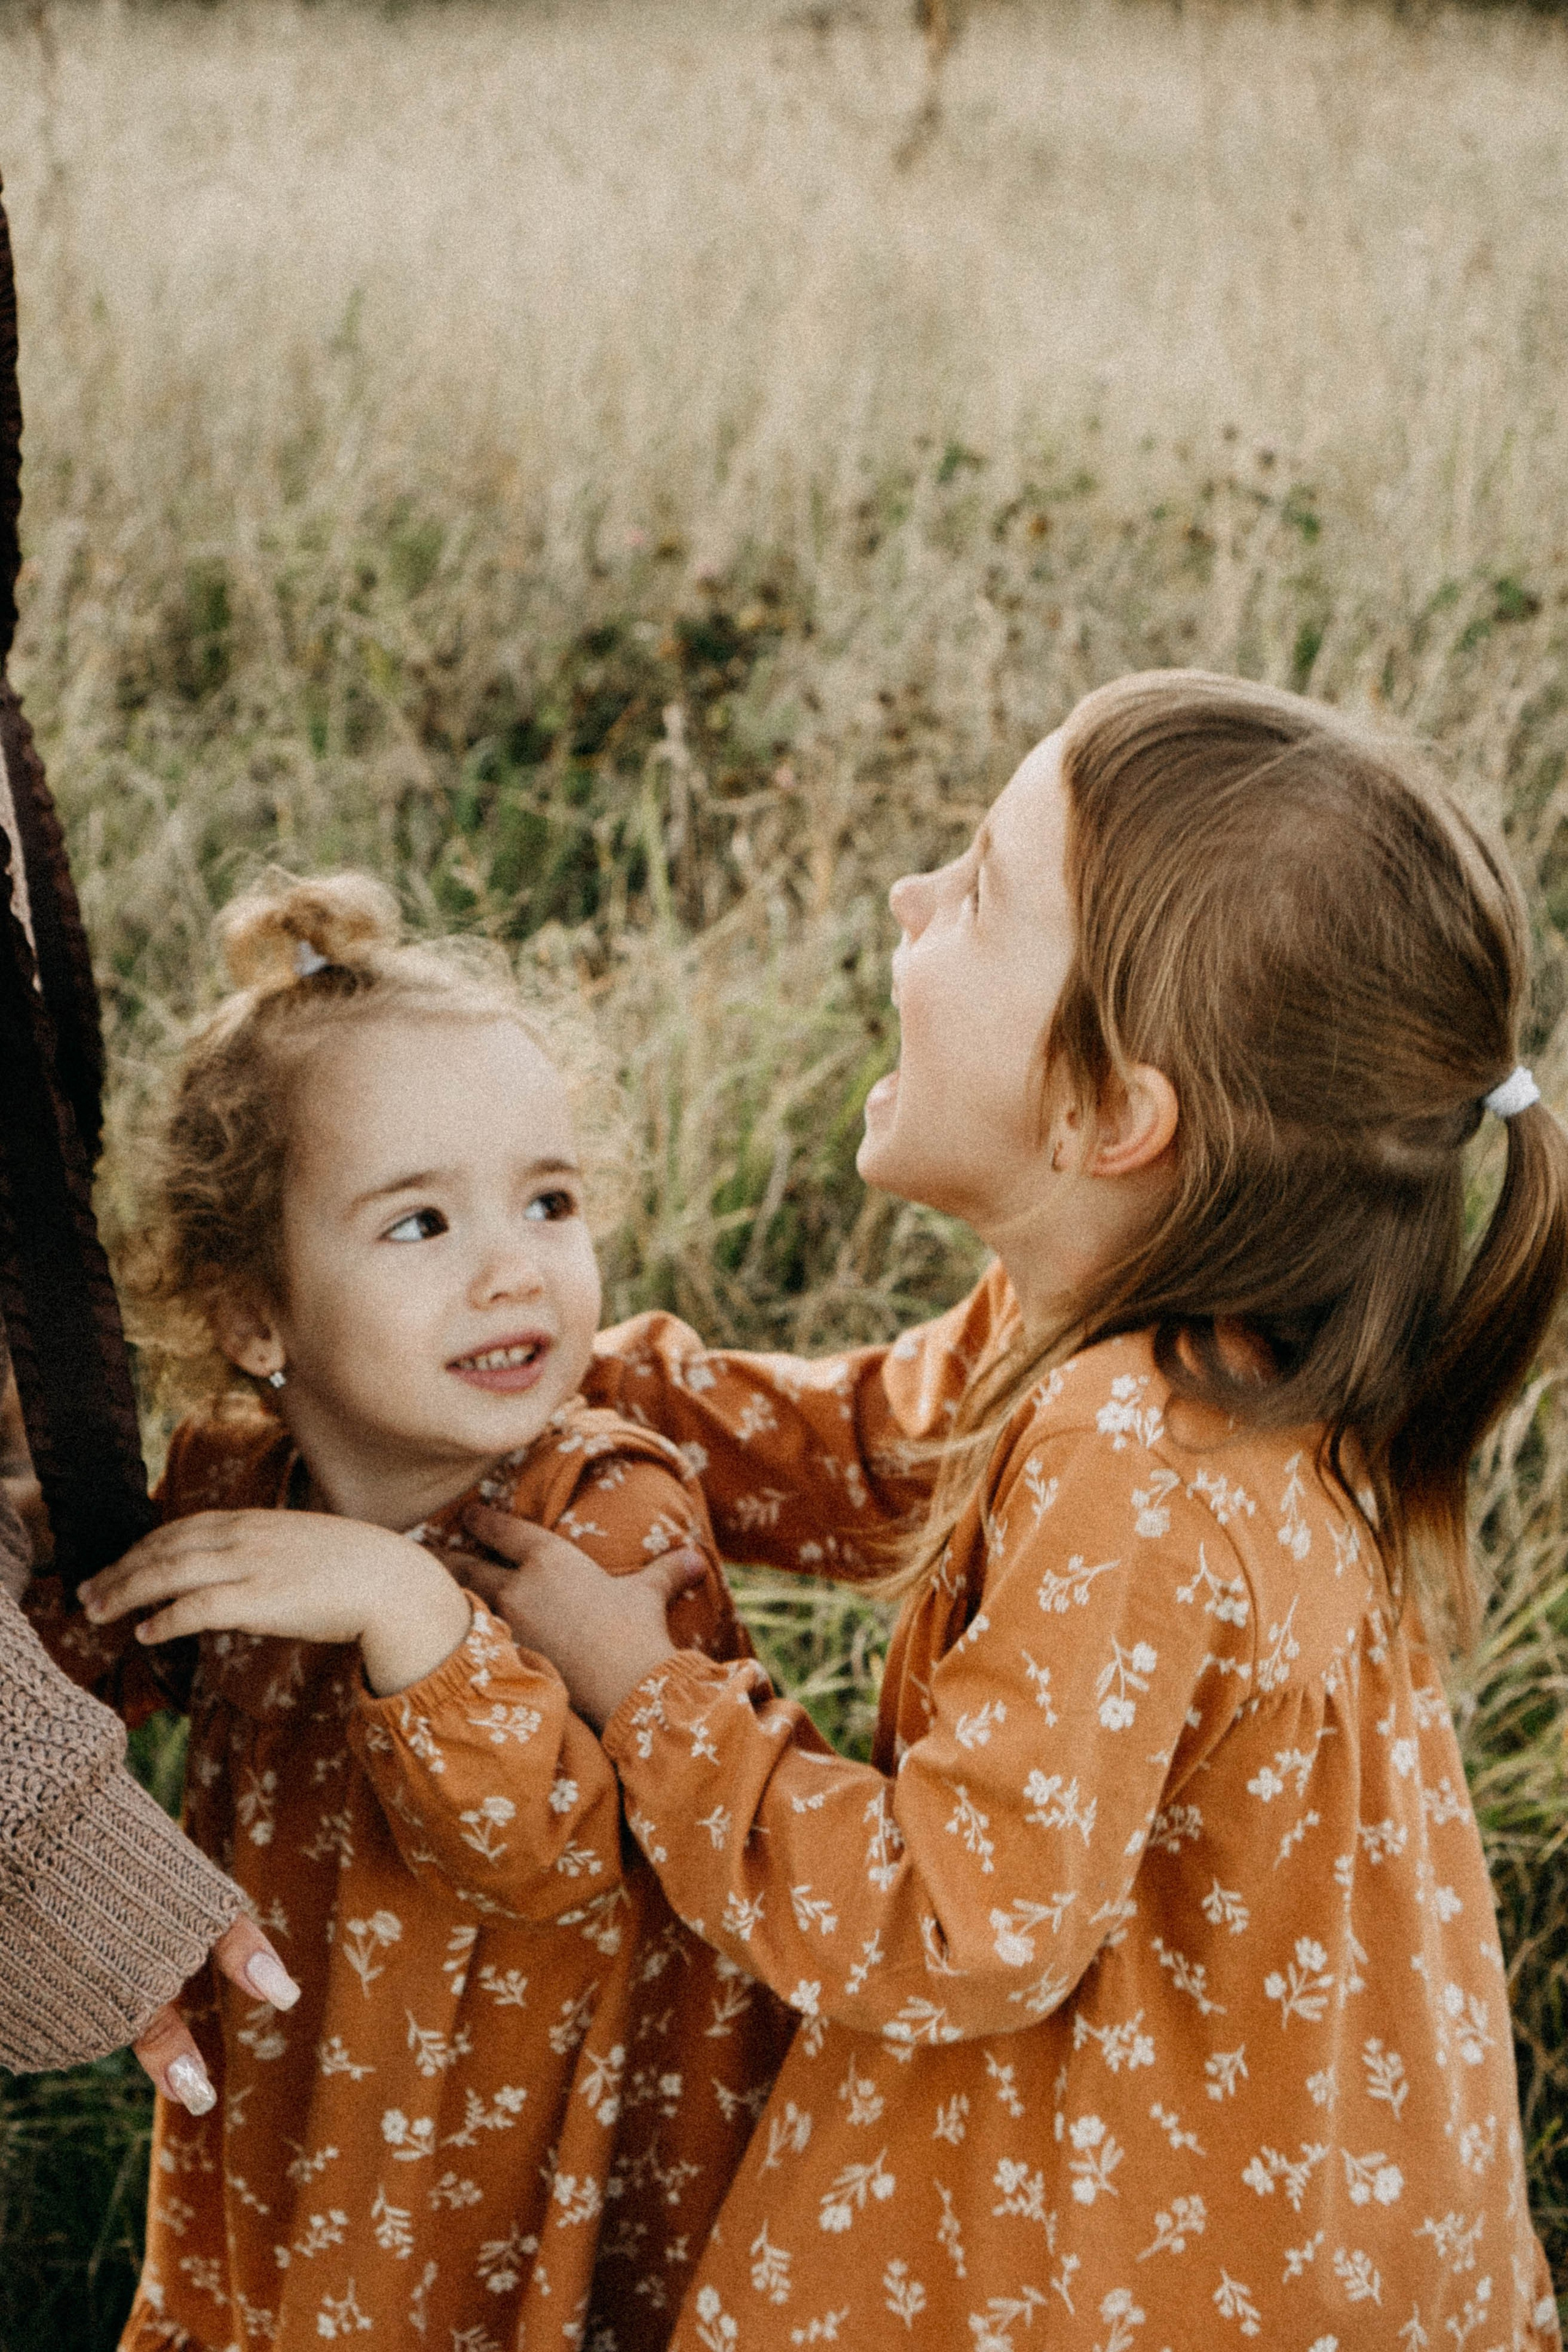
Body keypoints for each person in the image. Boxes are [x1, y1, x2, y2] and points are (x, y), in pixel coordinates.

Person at [458, 673, 1564, 2348]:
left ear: (1112, 1113)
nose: (909, 898)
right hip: (1308, 2210)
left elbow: (955, 1924)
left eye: (977, 890)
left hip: (1135, 2255)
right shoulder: (1188, 1347)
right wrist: (558, 1376)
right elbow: (865, 1447)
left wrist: (648, 1696)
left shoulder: (1142, 1450)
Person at [40, 874, 790, 2352]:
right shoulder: (233, 1481)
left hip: (537, 2139)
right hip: (314, 2095)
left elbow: (553, 1861)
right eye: (419, 1224)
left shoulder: (604, 1512)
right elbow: (86, 1659)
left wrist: (402, 1605)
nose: (514, 1266)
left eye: (549, 1201)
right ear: (257, 1318)